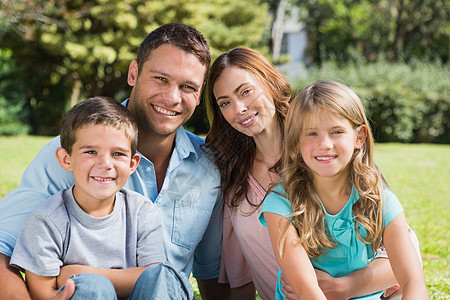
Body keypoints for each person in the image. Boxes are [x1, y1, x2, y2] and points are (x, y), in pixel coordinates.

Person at [0, 23, 225, 300]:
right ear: (134, 73)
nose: (172, 97)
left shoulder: (210, 168)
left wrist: (81, 270)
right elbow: (1, 250)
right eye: (160, 79)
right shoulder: (74, 155)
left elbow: (212, 272)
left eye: (188, 86)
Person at [205, 48, 422, 300]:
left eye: (246, 91)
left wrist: (343, 288)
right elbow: (238, 268)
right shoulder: (234, 176)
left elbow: (407, 256)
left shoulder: (332, 157)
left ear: (271, 83)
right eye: (225, 103)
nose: (239, 108)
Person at [260, 80, 428, 299]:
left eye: (336, 131)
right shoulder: (281, 202)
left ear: (359, 137)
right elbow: (306, 290)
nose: (324, 144)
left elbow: (413, 281)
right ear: (296, 143)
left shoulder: (380, 199)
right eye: (311, 134)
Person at [10, 96, 166, 299]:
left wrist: (78, 273)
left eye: (118, 154)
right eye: (91, 151)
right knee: (92, 288)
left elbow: (156, 280)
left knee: (170, 280)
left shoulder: (142, 213)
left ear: (132, 164)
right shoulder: (46, 221)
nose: (105, 164)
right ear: (66, 159)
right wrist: (89, 283)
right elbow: (43, 293)